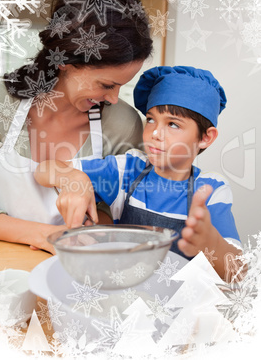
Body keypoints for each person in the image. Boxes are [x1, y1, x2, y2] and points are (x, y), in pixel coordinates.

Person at [35, 65, 242, 281]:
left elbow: (237, 273)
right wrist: (74, 178)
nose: (155, 133)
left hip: (180, 308)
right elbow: (45, 170)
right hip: (121, 295)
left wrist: (211, 242)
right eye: (151, 119)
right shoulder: (128, 170)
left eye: (173, 124)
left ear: (205, 138)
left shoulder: (212, 189)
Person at [0, 0, 153, 254]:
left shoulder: (122, 124)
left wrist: (87, 228)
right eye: (106, 85)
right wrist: (47, 236)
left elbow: (116, 211)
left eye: (121, 86)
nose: (114, 99)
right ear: (66, 62)